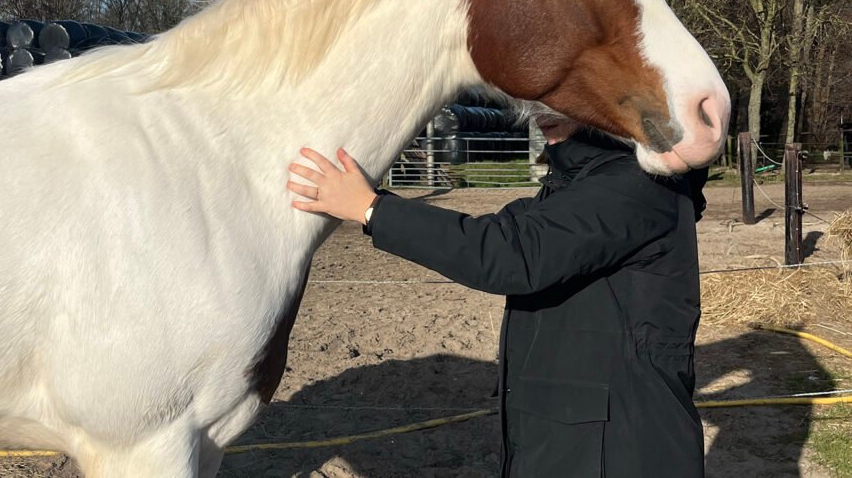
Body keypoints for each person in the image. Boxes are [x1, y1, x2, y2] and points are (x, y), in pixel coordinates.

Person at [287, 119, 708, 478]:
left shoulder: (634, 185)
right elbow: (491, 233)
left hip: (614, 447)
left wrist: (371, 208)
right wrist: (377, 204)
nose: (541, 112)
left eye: (563, 98)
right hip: (582, 437)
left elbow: (509, 254)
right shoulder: (580, 186)